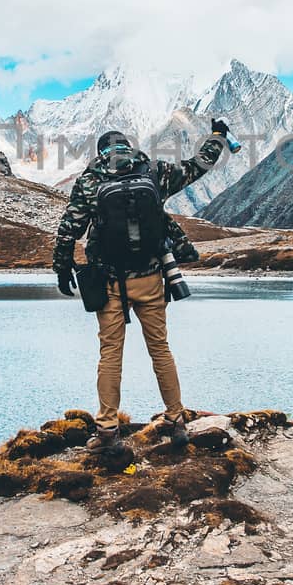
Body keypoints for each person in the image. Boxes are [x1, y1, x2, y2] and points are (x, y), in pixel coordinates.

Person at [53, 121, 231, 455]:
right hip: (151, 278)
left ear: (102, 153)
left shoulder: (91, 181)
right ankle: (176, 420)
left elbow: (69, 231)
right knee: (160, 349)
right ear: (129, 148)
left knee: (110, 354)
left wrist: (62, 270)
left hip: (109, 283)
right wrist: (218, 137)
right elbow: (199, 166)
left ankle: (107, 430)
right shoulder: (155, 172)